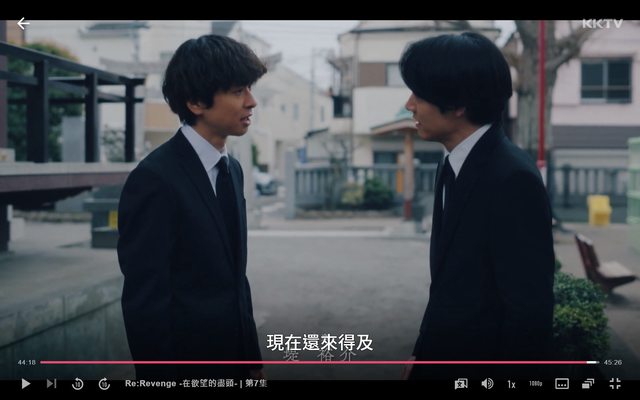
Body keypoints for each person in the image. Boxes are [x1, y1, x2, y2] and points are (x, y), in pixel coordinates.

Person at [399, 32, 555, 380]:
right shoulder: (451, 162)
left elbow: (529, 311)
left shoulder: (512, 178)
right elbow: (446, 286)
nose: (410, 104)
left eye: (419, 93)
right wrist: (422, 353)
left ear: (458, 104)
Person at [117, 34, 267, 380]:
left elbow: (236, 280)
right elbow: (145, 300)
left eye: (249, 88)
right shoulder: (155, 179)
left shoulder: (232, 169)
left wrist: (251, 361)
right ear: (196, 102)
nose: (252, 101)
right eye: (238, 91)